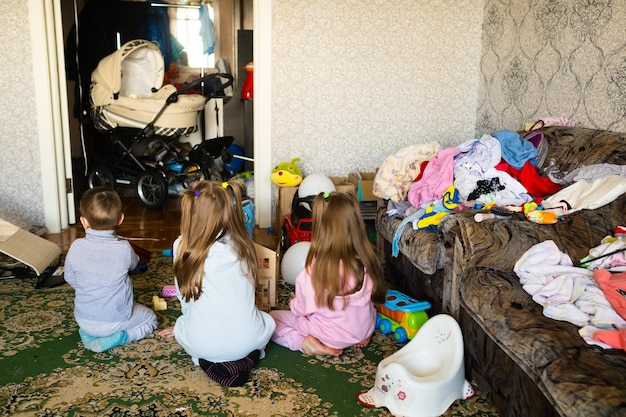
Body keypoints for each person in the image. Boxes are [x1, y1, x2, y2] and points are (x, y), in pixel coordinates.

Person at [158, 179, 276, 387]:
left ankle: (206, 362)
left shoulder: (181, 246)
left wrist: (185, 324)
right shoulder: (244, 245)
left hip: (202, 344)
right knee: (268, 320)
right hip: (248, 340)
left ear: (193, 212)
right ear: (230, 212)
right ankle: (246, 358)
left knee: (183, 327)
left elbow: (184, 297)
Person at [270, 191, 388, 357]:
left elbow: (303, 309)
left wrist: (294, 302)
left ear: (320, 229)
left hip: (329, 336)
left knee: (272, 320)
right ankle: (363, 334)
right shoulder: (366, 259)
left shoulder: (315, 269)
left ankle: (304, 344)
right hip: (362, 329)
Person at [64, 187, 158, 353]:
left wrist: (91, 289)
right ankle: (121, 337)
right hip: (116, 320)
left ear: (84, 221)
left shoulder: (76, 246)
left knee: (108, 312)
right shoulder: (124, 248)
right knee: (150, 319)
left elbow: (69, 276)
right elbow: (134, 264)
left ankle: (89, 335)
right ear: (120, 219)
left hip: (83, 319)